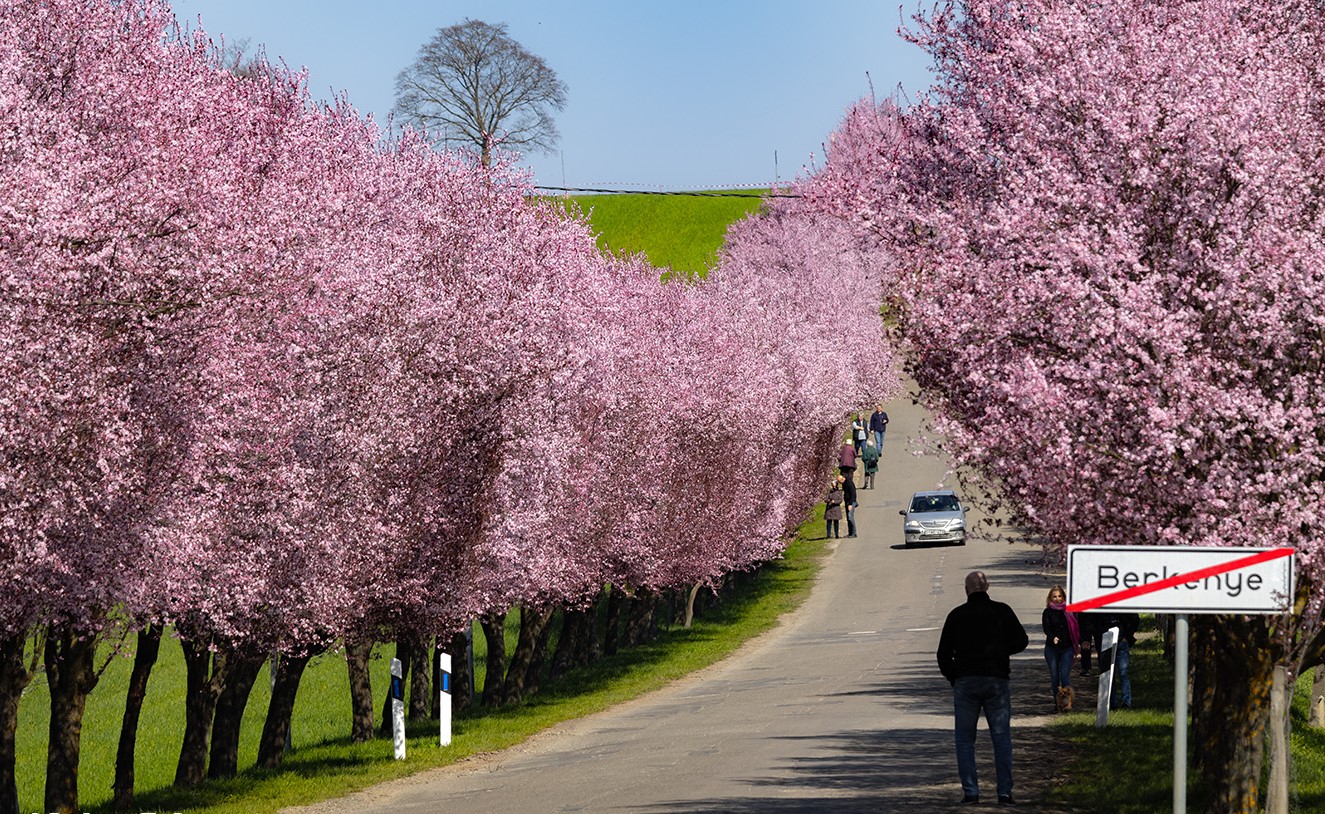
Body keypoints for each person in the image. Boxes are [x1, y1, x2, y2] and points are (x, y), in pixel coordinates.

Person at [937, 571, 1029, 806]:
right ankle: (1004, 793)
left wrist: (953, 677)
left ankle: (971, 792)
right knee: (1001, 738)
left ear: (966, 590)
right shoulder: (1002, 611)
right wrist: (1000, 652)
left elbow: (943, 654)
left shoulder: (956, 616)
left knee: (965, 740)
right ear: (987, 586)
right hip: (996, 679)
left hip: (966, 681)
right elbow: (1022, 640)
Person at [1042, 586, 1078, 710]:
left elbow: (1075, 628)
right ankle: (1057, 704)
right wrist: (1053, 637)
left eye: (1059, 596)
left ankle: (1068, 704)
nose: (1057, 599)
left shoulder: (1069, 611)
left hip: (1067, 647)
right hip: (1052, 648)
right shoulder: (1047, 612)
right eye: (1054, 596)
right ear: (1050, 598)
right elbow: (1046, 628)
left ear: (1063, 597)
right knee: (1055, 677)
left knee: (1064, 675)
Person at [1099, 610, 1140, 708]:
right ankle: (1112, 702)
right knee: (1108, 674)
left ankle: (1126, 701)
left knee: (1123, 672)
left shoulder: (1123, 604)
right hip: (1105, 642)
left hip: (1122, 641)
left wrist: (1127, 636)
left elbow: (1135, 618)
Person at [842, 471, 858, 537]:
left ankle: (854, 533)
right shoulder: (844, 483)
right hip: (847, 502)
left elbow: (853, 494)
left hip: (851, 502)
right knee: (848, 517)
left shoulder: (849, 483)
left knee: (850, 516)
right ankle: (850, 532)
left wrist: (851, 504)